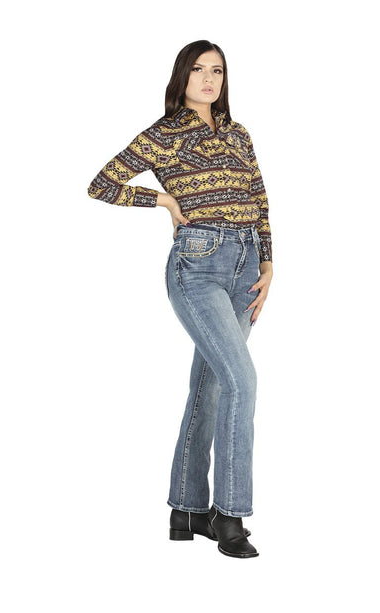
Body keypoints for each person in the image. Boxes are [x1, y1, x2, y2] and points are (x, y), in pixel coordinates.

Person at [87, 40, 273, 558]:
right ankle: (229, 515)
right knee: (242, 382)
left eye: (217, 71)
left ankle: (187, 509)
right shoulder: (166, 132)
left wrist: (268, 263)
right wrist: (163, 199)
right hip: (198, 264)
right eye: (198, 70)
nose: (209, 79)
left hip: (246, 265)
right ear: (182, 77)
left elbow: (259, 199)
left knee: (211, 388)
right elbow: (102, 184)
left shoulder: (238, 133)